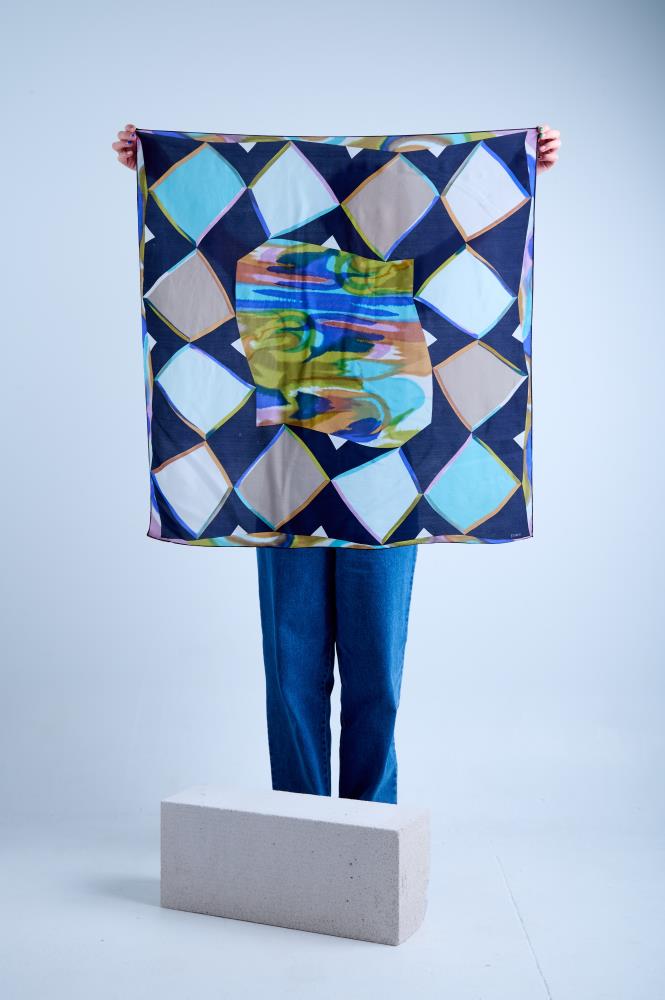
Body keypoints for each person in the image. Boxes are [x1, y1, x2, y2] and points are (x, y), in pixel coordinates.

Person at [113, 122, 561, 804]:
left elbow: (451, 243)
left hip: (387, 469)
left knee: (374, 669)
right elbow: (224, 240)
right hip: (283, 459)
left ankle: (370, 828)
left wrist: (520, 162)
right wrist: (158, 163)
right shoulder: (280, 234)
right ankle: (299, 824)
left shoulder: (399, 221)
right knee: (291, 668)